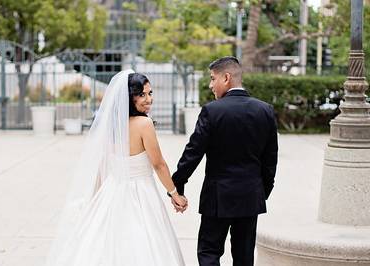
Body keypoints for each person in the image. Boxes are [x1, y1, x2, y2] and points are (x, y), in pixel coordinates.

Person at [45, 70, 187, 266]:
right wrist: (174, 193)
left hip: (113, 190)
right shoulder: (144, 124)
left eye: (150, 93)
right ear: (130, 98)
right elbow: (158, 163)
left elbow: (103, 165)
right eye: (142, 95)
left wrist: (95, 198)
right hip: (141, 193)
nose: (148, 99)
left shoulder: (112, 126)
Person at [172, 56, 278, 266]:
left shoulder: (212, 111)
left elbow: (193, 153)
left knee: (209, 252)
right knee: (244, 256)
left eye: (213, 78)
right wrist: (261, 191)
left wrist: (178, 185)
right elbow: (270, 160)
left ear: (226, 77)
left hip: (218, 197)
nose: (211, 85)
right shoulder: (265, 110)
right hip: (250, 196)